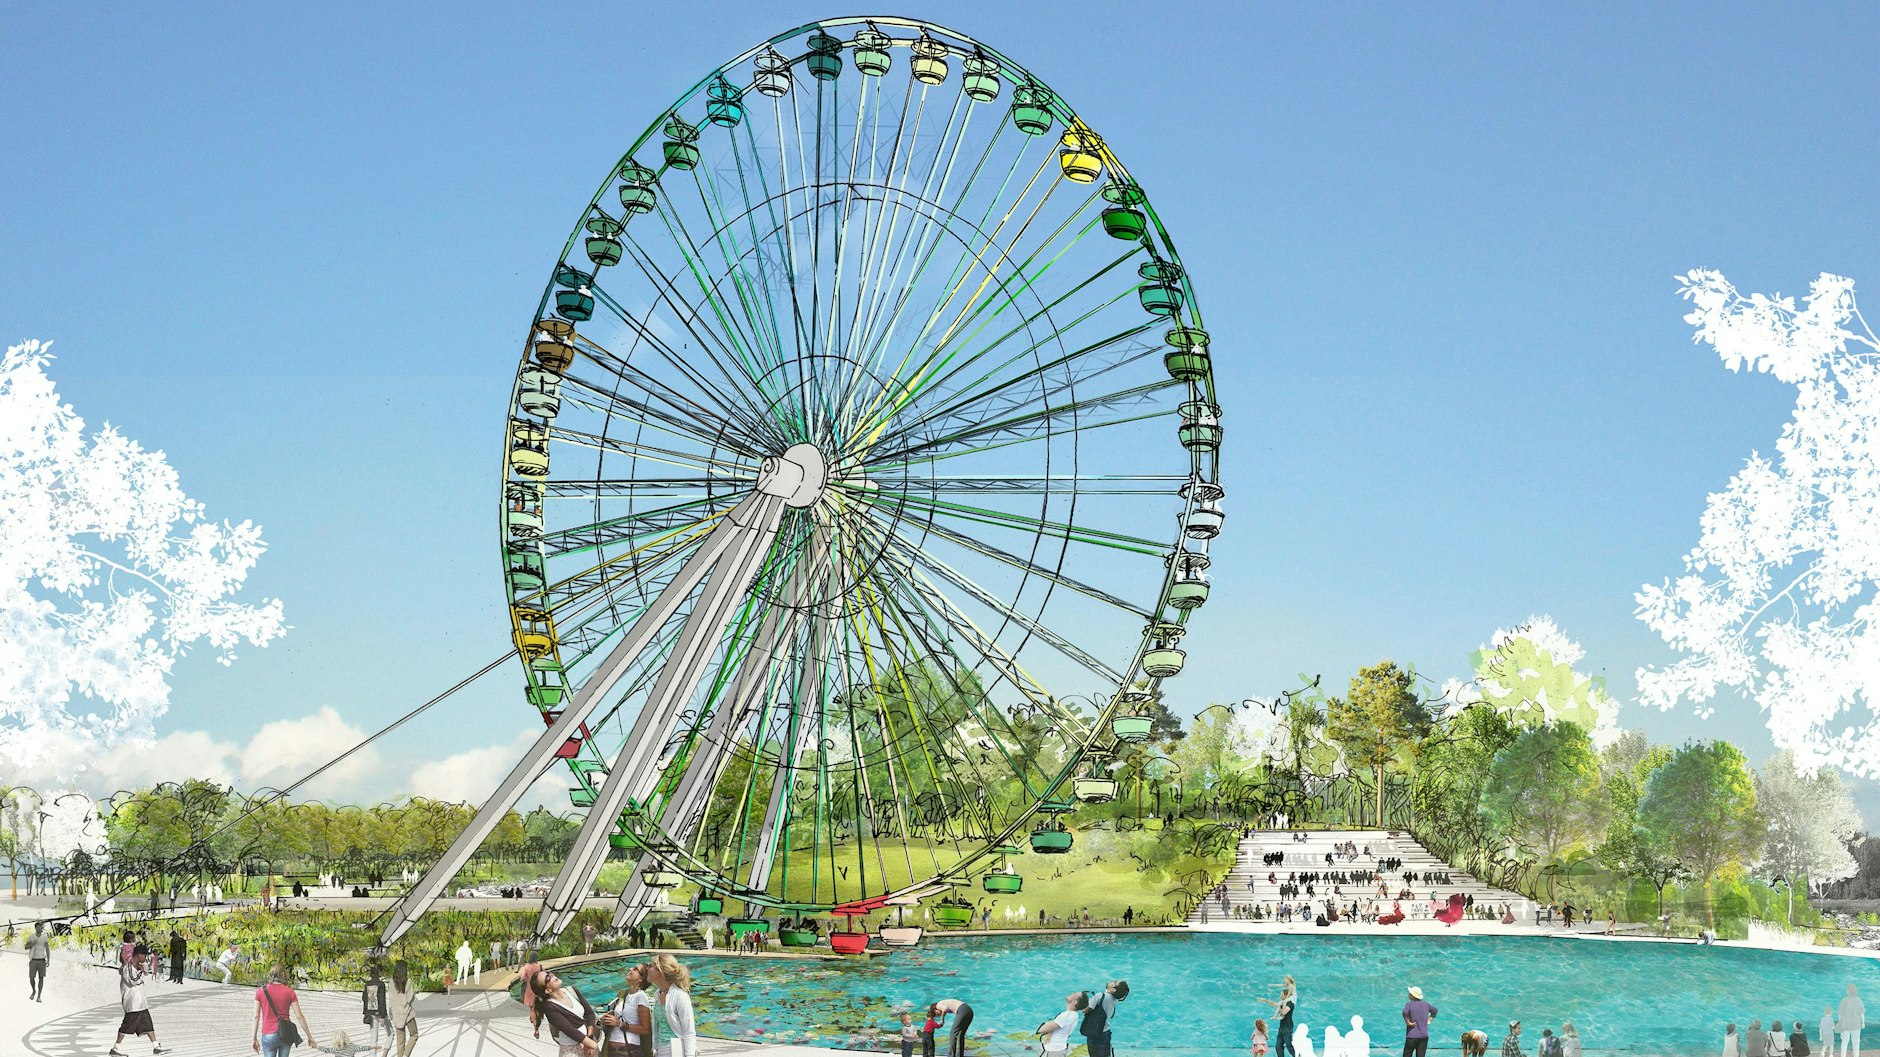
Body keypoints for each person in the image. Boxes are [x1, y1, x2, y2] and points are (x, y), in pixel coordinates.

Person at [113, 943, 169, 1056]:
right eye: (144, 955)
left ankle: (156, 1046)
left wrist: (141, 970)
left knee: (148, 1025)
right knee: (126, 1026)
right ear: (139, 955)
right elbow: (132, 981)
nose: (145, 958)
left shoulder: (135, 967)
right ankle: (115, 1048)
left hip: (141, 1003)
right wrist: (142, 972)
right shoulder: (127, 968)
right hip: (133, 1004)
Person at [600, 963, 653, 1057]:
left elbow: (646, 1029)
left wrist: (619, 1024)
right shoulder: (623, 993)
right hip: (611, 1050)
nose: (630, 968)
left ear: (640, 978)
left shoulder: (640, 996)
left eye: (635, 969)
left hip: (627, 1051)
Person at [650, 953, 696, 1057]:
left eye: (651, 966)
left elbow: (689, 1032)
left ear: (659, 972)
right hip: (659, 1051)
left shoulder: (680, 996)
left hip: (676, 1052)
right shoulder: (658, 994)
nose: (648, 969)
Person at [1084, 980, 1130, 1057]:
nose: (1112, 981)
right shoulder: (1114, 999)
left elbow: (1085, 1010)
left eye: (1115, 982)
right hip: (1105, 1032)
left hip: (1095, 1033)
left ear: (1113, 989)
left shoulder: (1099, 996)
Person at [1038, 991, 1086, 1057]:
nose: (1072, 993)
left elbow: (1042, 1029)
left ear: (1075, 1002)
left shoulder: (1066, 1016)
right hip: (1059, 1048)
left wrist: (1048, 1024)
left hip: (1054, 1050)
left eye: (1074, 994)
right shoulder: (1074, 1015)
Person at [1258, 976, 1297, 1057]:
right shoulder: (1282, 1003)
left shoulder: (1290, 1004)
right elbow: (1274, 1003)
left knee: (1289, 1045)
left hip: (1287, 1026)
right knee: (1278, 1046)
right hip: (1282, 1026)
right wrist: (1264, 1000)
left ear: (1285, 995)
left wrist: (1280, 1008)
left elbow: (1284, 1012)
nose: (1280, 995)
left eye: (1281, 994)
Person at [388, 960, 420, 1057]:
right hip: (408, 1014)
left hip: (396, 1014)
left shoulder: (391, 982)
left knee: (400, 1041)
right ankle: (405, 1055)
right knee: (414, 1035)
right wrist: (415, 993)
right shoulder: (408, 981)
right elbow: (410, 999)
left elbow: (391, 999)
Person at [362, 962, 390, 1055]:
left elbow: (364, 998)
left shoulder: (367, 984)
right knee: (391, 1034)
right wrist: (382, 1016)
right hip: (380, 1013)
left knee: (373, 1039)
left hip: (370, 1013)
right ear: (379, 973)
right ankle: (384, 1054)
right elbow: (382, 1001)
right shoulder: (381, 984)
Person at [1403, 985, 1438, 1057]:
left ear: (1413, 996)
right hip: (1424, 1036)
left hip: (1412, 1036)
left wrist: (1408, 1022)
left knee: (1407, 1054)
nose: (1408, 995)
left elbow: (1405, 1012)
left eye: (1410, 993)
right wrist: (1429, 1020)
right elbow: (1435, 1010)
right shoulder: (1426, 1004)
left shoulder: (1409, 1004)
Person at [27, 921, 50, 1002]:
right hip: (33, 960)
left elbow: (47, 949)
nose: (40, 929)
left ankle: (39, 996)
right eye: (38, 927)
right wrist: (32, 944)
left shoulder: (44, 937)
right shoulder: (31, 936)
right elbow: (26, 947)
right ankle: (34, 991)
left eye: (41, 927)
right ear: (35, 928)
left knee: (41, 978)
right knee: (31, 978)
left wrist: (48, 960)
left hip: (42, 960)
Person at [1840, 985, 1865, 1057]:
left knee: (1844, 1042)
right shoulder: (1859, 1000)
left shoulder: (1844, 1000)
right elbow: (1862, 1013)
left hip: (1845, 1025)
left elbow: (1840, 1014)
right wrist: (1863, 1023)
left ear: (1848, 991)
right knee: (1856, 1043)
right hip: (1856, 1025)